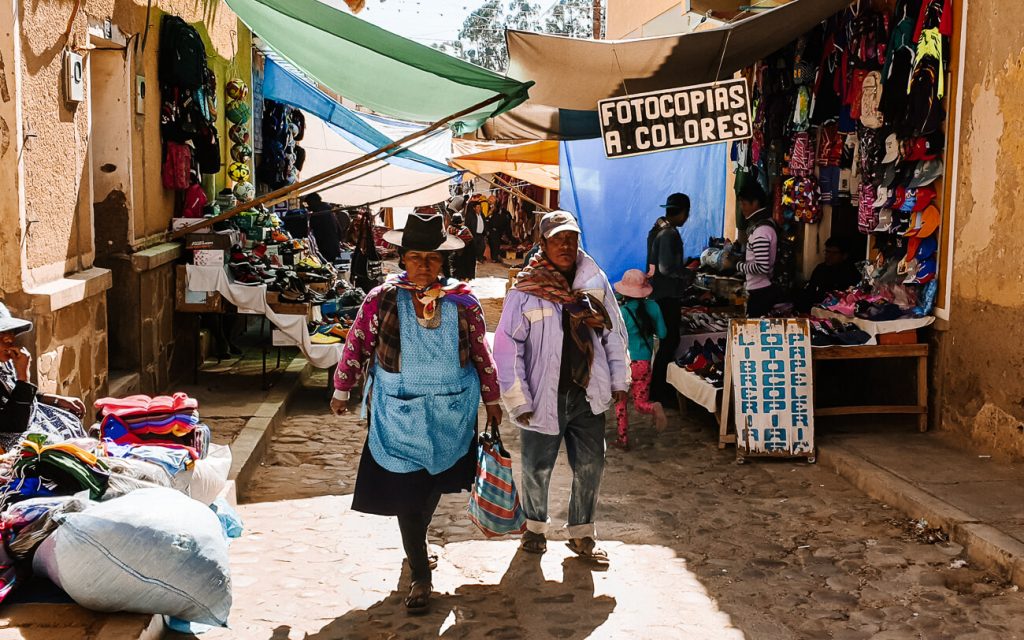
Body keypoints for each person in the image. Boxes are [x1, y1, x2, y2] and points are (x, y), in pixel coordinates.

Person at [328, 212, 502, 614]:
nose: (425, 265)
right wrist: (343, 387)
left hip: (451, 411)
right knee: (408, 495)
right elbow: (358, 344)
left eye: (433, 258)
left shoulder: (463, 302)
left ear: (443, 262)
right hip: (398, 412)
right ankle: (421, 574)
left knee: (434, 484)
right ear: (402, 258)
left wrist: (492, 399)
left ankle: (417, 545)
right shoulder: (382, 299)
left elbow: (481, 352)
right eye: (417, 257)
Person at [494, 210, 630, 566]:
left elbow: (613, 333)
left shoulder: (594, 281)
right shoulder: (527, 290)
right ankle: (535, 530)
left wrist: (619, 380)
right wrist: (517, 397)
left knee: (591, 465)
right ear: (543, 244)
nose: (566, 245)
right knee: (537, 467)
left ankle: (582, 533)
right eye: (558, 239)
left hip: (586, 392)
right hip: (543, 395)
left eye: (571, 238)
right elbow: (508, 347)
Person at [0, 302, 88, 451]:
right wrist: (23, 377)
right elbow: (14, 424)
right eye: (2, 335)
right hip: (10, 433)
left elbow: (13, 391)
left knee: (70, 421)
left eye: (11, 333)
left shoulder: (3, 364)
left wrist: (56, 399)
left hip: (27, 418)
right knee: (55, 447)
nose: (9, 340)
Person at [612, 270, 668, 450]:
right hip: (644, 363)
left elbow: (613, 340)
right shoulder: (654, 307)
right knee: (639, 403)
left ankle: (623, 439)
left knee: (620, 402)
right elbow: (663, 333)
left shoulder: (622, 313)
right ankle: (652, 407)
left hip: (625, 364)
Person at [646, 192, 692, 406]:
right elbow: (666, 268)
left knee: (667, 341)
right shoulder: (669, 234)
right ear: (683, 212)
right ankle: (659, 391)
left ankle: (658, 389)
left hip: (658, 293)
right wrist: (687, 272)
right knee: (670, 341)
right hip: (667, 295)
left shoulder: (657, 229)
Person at [735, 183, 781, 317]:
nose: (741, 208)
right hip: (759, 290)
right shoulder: (763, 225)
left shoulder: (762, 230)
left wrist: (737, 265)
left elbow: (762, 267)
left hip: (761, 292)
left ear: (755, 203)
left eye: (744, 204)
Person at [797, 236, 862, 312]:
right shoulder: (820, 269)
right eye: (827, 252)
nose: (829, 256)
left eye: (834, 253)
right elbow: (810, 291)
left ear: (844, 255)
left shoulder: (851, 272)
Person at [305, 192, 343, 264]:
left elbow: (314, 228)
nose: (309, 206)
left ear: (314, 201)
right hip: (332, 245)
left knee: (326, 264)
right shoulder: (328, 210)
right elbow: (339, 229)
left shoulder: (319, 213)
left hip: (326, 246)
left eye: (309, 203)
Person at [447, 213, 476, 281]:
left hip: (455, 253)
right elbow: (470, 239)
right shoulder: (465, 229)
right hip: (466, 254)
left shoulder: (450, 229)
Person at [486, 197, 513, 264]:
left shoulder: (501, 212)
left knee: (495, 244)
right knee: (493, 244)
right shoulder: (491, 210)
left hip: (497, 231)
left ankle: (495, 258)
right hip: (493, 230)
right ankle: (494, 258)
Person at [464, 199, 487, 263]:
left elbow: (484, 223)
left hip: (481, 234)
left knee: (482, 246)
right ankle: (474, 259)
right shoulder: (470, 215)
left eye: (480, 207)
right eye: (478, 207)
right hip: (474, 234)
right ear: (474, 208)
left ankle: (480, 258)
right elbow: (467, 225)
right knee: (474, 247)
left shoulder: (482, 215)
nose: (479, 208)